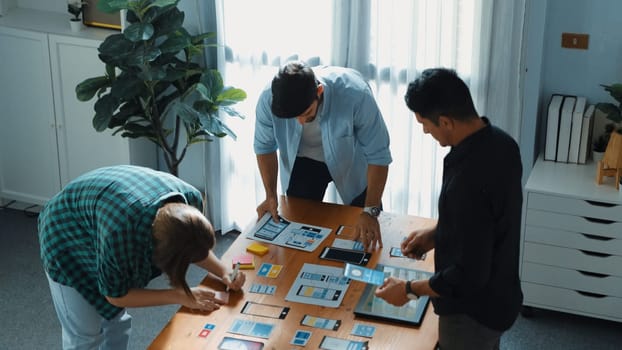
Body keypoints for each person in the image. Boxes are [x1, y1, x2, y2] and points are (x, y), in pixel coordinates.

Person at [374, 68, 523, 350]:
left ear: (445, 121)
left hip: (473, 315)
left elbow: (467, 276)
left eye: (425, 124)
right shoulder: (503, 144)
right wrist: (438, 233)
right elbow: (487, 222)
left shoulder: (467, 180)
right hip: (504, 292)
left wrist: (407, 289)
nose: (425, 130)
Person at [38, 165, 246, 350]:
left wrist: (223, 270)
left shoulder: (191, 199)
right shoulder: (121, 234)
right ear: (158, 252)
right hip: (63, 234)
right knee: (86, 335)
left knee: (116, 323)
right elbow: (116, 296)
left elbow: (189, 246)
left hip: (102, 215)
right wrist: (178, 295)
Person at [254, 60, 392, 251]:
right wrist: (270, 194)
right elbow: (264, 147)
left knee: (367, 233)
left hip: (351, 160)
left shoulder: (356, 94)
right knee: (298, 231)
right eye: (294, 118)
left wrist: (370, 211)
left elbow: (378, 155)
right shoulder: (268, 99)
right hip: (303, 161)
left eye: (306, 113)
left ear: (319, 92)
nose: (301, 122)